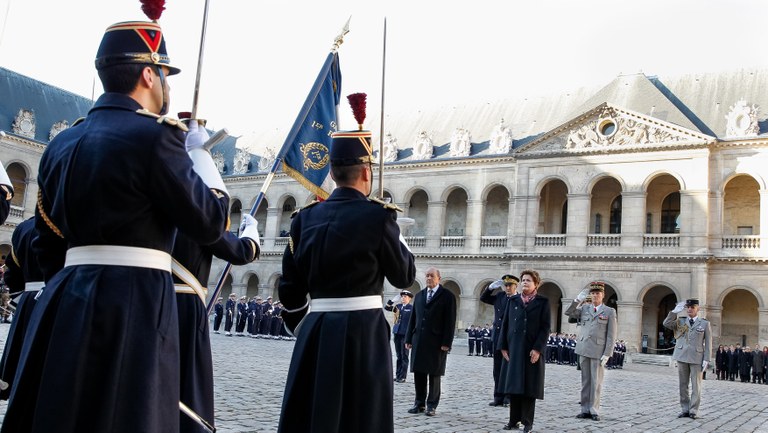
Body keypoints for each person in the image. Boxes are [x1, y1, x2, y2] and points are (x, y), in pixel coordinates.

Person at [2, 19, 230, 433]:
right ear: (148, 74)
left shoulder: (62, 143)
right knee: (128, 411)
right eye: (165, 77)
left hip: (67, 295)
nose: (167, 88)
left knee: (66, 411)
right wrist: (199, 161)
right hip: (137, 300)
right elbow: (210, 222)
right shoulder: (158, 137)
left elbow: (47, 239)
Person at [276, 115, 416, 433]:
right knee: (362, 416)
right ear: (366, 172)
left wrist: (303, 325)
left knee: (314, 413)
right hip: (364, 331)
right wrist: (398, 234)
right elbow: (403, 276)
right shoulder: (379, 217)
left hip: (316, 328)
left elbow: (290, 286)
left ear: (332, 173)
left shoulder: (304, 218)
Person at [171, 213, 260, 433]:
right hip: (185, 306)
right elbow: (242, 251)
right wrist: (251, 232)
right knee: (187, 382)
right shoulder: (194, 210)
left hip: (146, 296)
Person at [497, 269, 550, 433]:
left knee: (528, 387)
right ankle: (513, 420)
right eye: (523, 280)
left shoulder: (543, 302)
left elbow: (545, 328)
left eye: (528, 280)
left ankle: (527, 422)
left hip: (531, 351)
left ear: (536, 284)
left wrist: (537, 349)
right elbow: (505, 324)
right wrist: (503, 346)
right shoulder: (513, 301)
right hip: (514, 349)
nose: (525, 283)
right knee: (514, 386)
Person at [0, 217, 44, 400]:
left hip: (28, 301)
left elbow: (12, 276)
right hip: (61, 297)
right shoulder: (69, 216)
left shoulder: (24, 227)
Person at [405, 267, 457, 417]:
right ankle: (419, 403)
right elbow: (413, 319)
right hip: (419, 341)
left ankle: (431, 405)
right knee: (419, 373)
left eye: (431, 276)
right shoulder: (420, 295)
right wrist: (409, 338)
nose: (428, 278)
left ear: (439, 278)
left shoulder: (447, 296)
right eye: (427, 275)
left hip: (437, 342)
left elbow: (450, 322)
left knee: (434, 375)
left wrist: (447, 342)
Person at [565, 281, 617, 422]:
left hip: (598, 351)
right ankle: (584, 409)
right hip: (583, 348)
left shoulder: (609, 311)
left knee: (596, 382)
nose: (595, 296)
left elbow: (611, 335)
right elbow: (568, 313)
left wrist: (608, 353)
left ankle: (594, 410)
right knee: (585, 381)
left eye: (597, 293)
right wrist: (577, 300)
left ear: (603, 295)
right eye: (593, 293)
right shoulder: (585, 308)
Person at [663, 298, 711, 419]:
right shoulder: (680, 321)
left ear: (697, 309)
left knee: (696, 385)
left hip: (697, 357)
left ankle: (693, 410)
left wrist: (707, 358)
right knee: (683, 385)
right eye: (688, 307)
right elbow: (666, 324)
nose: (689, 309)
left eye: (692, 307)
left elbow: (709, 342)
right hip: (682, 356)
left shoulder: (704, 323)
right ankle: (685, 408)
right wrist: (674, 312)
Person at [481, 273, 519, 407]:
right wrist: (490, 288)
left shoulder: (519, 299)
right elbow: (484, 298)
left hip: (510, 338)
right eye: (506, 285)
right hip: (497, 336)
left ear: (516, 286)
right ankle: (498, 396)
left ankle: (508, 396)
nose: (508, 288)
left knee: (508, 369)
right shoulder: (500, 296)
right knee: (497, 369)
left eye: (510, 285)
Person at [385, 290, 414, 383]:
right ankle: (398, 375)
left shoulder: (411, 308)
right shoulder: (398, 307)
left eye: (405, 297)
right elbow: (386, 307)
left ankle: (403, 376)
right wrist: (392, 301)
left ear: (409, 298)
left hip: (405, 335)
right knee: (398, 356)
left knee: (404, 355)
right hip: (397, 333)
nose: (403, 298)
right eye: (402, 297)